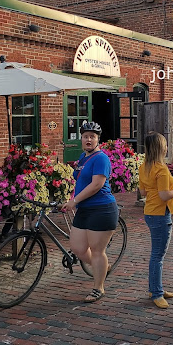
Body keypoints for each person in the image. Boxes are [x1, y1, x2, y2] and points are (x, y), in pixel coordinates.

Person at [64, 122, 117, 303]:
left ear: (97, 139)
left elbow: (96, 185)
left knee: (96, 250)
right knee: (78, 248)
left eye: (92, 137)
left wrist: (74, 201)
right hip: (84, 209)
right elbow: (80, 182)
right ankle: (102, 267)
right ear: (81, 138)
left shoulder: (101, 158)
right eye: (86, 136)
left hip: (101, 209)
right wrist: (71, 198)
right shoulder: (82, 157)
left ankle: (98, 287)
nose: (89, 139)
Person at [139, 132, 173, 309]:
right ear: (161, 148)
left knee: (156, 254)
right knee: (158, 256)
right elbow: (165, 195)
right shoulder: (161, 168)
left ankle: (155, 288)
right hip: (161, 212)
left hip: (150, 211)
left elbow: (144, 192)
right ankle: (157, 293)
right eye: (165, 144)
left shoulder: (144, 166)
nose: (168, 147)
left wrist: (170, 187)